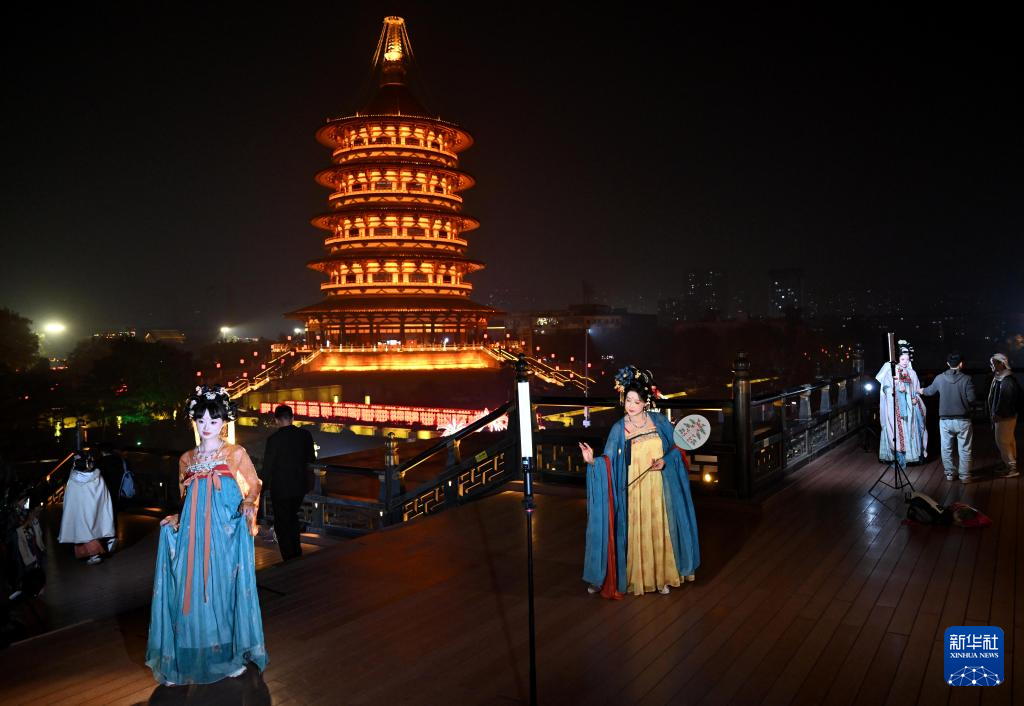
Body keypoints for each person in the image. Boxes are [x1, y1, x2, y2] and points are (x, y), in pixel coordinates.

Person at [145, 386, 268, 686]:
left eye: (213, 420)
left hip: (223, 535)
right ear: (194, 421)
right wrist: (178, 517)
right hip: (192, 535)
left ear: (224, 421)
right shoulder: (186, 458)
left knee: (221, 594)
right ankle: (185, 659)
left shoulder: (235, 453)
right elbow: (185, 498)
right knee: (189, 595)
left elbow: (254, 484)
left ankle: (228, 657)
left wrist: (249, 502)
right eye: (200, 420)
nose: (206, 426)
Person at [579, 366, 700, 598]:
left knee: (661, 528)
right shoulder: (619, 428)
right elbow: (609, 461)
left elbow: (677, 450)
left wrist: (665, 461)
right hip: (634, 492)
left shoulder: (660, 422)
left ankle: (663, 576)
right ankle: (638, 577)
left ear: (646, 403)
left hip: (659, 488)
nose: (631, 405)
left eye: (636, 401)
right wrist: (592, 461)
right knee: (637, 531)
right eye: (628, 400)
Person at [262, 404, 315, 561]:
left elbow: (267, 467)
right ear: (292, 418)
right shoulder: (305, 435)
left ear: (276, 420)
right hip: (299, 486)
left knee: (282, 522)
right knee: (292, 518)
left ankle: (289, 557)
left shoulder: (273, 440)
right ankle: (296, 553)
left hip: (280, 488)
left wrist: (261, 488)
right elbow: (311, 459)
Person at [918, 353, 977, 482]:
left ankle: (950, 473)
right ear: (961, 364)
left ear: (948, 364)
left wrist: (920, 390)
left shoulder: (940, 378)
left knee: (946, 448)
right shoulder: (967, 379)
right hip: (963, 420)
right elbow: (972, 399)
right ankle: (965, 476)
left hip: (945, 420)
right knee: (965, 449)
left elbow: (929, 391)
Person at [57, 452, 114, 565]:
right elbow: (104, 495)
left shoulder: (72, 479)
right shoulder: (97, 477)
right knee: (92, 529)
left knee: (83, 531)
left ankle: (93, 554)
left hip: (79, 512)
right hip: (94, 510)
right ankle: (93, 553)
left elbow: (70, 498)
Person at [875, 347, 927, 465]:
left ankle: (911, 456)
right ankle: (894, 455)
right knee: (896, 428)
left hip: (910, 407)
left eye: (907, 359)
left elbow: (917, 389)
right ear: (898, 359)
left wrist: (915, 398)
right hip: (896, 407)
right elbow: (886, 388)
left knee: (911, 428)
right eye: (902, 359)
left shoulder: (912, 373)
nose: (905, 361)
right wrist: (897, 389)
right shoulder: (891, 372)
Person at [987, 353, 1019, 478]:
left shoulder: (1006, 380)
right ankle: (1010, 463)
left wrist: (998, 414)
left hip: (1004, 417)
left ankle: (1011, 467)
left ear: (1001, 364)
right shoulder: (1003, 378)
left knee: (1002, 442)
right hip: (1007, 416)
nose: (991, 366)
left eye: (993, 363)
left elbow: (1005, 400)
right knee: (1008, 441)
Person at [96, 443, 124, 551]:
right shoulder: (119, 460)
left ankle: (107, 538)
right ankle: (113, 536)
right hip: (116, 491)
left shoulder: (100, 462)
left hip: (104, 493)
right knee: (114, 514)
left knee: (104, 515)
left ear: (102, 451)